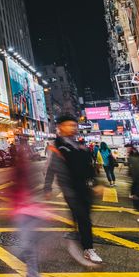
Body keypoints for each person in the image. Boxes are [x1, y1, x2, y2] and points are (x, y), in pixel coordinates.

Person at [44, 114, 103, 266]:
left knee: (82, 215)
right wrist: (47, 187)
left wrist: (95, 183)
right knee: (84, 218)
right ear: (60, 127)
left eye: (74, 125)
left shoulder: (78, 145)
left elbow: (88, 167)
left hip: (84, 187)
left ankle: (75, 233)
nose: (73, 128)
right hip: (70, 189)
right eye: (69, 125)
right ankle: (88, 248)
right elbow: (50, 168)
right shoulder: (56, 147)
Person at [8, 138, 47, 277]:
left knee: (27, 247)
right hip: (24, 213)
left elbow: (35, 188)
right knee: (27, 247)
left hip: (30, 212)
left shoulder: (27, 168)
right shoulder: (19, 169)